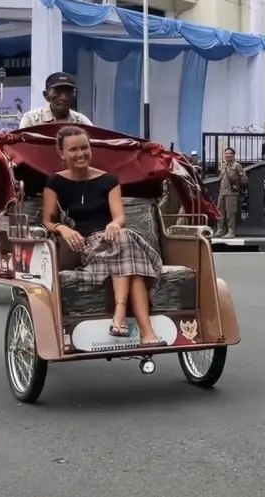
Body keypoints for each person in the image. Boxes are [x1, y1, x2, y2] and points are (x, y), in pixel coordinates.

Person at [42, 126, 165, 346]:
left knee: (124, 237)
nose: (80, 153)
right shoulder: (55, 182)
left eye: (85, 147)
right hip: (87, 245)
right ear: (62, 153)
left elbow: (120, 218)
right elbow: (47, 221)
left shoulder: (108, 180)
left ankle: (120, 317)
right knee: (132, 265)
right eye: (73, 149)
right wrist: (63, 228)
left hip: (113, 239)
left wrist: (113, 225)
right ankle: (147, 333)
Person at [19, 72, 93, 129]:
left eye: (68, 92)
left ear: (74, 95)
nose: (63, 97)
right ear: (46, 95)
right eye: (57, 92)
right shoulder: (31, 120)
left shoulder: (82, 122)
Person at [215, 147, 246, 238]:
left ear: (233, 155)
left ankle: (231, 231)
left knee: (230, 213)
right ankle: (221, 230)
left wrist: (237, 184)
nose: (228, 155)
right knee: (220, 211)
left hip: (232, 192)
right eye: (226, 153)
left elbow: (243, 179)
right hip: (222, 192)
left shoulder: (237, 166)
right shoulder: (223, 165)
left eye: (230, 153)